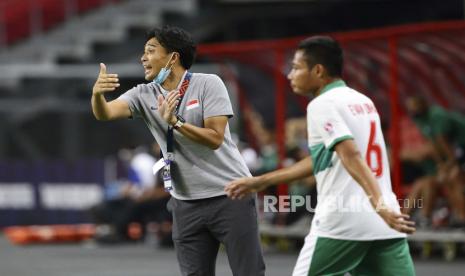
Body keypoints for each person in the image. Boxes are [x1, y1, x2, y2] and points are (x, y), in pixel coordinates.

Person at [225, 36, 416, 276]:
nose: (289, 75)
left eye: (295, 68)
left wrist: (378, 205)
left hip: (344, 219)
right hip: (385, 220)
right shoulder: (363, 101)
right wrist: (260, 181)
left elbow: (351, 154)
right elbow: (324, 160)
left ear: (317, 70)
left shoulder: (322, 105)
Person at [91, 25, 265, 276]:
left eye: (150, 51)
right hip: (185, 204)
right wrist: (97, 95)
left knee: (248, 272)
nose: (143, 58)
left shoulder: (209, 84)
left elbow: (215, 138)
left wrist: (176, 123)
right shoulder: (143, 94)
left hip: (230, 195)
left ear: (173, 57)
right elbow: (105, 113)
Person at [406, 96, 465, 227]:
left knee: (452, 177)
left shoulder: (437, 115)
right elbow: (434, 145)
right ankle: (406, 220)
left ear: (423, 104)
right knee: (424, 183)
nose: (412, 110)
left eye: (415, 106)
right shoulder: (420, 119)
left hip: (460, 154)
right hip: (454, 157)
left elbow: (443, 143)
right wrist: (442, 166)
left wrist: (448, 166)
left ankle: (461, 218)